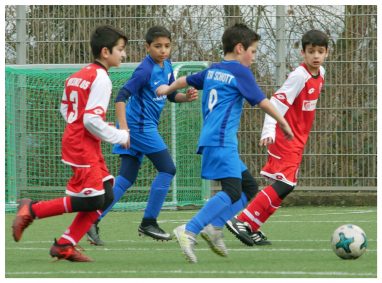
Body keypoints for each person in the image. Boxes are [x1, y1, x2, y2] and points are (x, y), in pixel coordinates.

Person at [156, 23, 294, 263]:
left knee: (248, 187)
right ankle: (190, 229)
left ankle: (215, 227)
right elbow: (262, 101)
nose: (253, 56)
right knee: (232, 190)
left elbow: (186, 80)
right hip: (221, 141)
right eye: (253, 51)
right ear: (240, 48)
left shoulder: (213, 70)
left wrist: (167, 88)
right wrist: (282, 122)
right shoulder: (239, 72)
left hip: (214, 140)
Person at [11, 25, 130, 262]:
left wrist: (83, 128)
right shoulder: (102, 78)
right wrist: (120, 135)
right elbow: (91, 119)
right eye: (120, 49)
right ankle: (32, 209)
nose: (124, 54)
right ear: (105, 52)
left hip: (82, 141)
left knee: (106, 194)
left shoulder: (78, 75)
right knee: (93, 200)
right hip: (81, 145)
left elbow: (66, 109)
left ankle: (65, 245)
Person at [86, 25, 198, 245]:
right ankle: (149, 222)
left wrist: (185, 96)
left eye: (167, 46)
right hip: (139, 127)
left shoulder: (167, 65)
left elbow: (171, 96)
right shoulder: (144, 70)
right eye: (157, 46)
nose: (163, 50)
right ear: (147, 47)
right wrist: (125, 130)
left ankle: (91, 220)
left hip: (141, 127)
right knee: (168, 169)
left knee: (126, 178)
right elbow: (121, 96)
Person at [226, 29, 329, 246]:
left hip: (297, 139)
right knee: (285, 184)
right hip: (285, 137)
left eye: (320, 51)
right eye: (311, 51)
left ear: (327, 53)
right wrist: (269, 131)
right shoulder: (299, 76)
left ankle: (252, 226)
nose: (316, 56)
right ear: (303, 53)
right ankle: (242, 220)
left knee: (287, 186)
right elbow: (276, 102)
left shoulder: (321, 74)